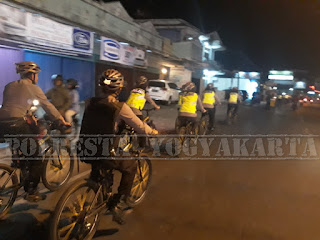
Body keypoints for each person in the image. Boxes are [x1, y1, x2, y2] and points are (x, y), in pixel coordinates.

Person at [78, 69, 158, 225]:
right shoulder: (119, 107)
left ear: (101, 86)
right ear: (119, 88)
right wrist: (152, 131)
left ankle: (97, 192)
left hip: (85, 149)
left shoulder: (89, 102)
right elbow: (140, 126)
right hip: (106, 152)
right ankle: (118, 202)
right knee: (131, 165)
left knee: (100, 171)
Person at [0, 61, 69, 202]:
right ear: (32, 75)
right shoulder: (33, 87)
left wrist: (30, 116)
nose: (37, 77)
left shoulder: (9, 85)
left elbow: (15, 106)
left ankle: (20, 164)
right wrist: (61, 120)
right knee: (36, 157)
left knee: (24, 148)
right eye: (37, 74)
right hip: (16, 125)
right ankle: (31, 191)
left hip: (2, 124)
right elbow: (47, 106)